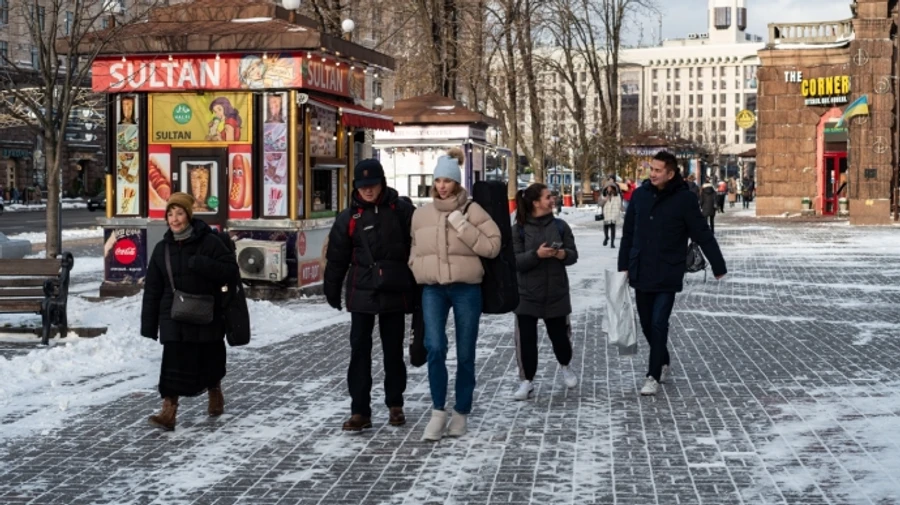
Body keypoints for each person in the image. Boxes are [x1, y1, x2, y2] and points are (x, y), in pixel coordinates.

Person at [409, 147, 501, 441]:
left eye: (448, 181)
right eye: (438, 181)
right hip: (433, 289)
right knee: (434, 347)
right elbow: (414, 249)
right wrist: (417, 268)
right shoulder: (420, 214)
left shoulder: (472, 211)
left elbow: (493, 246)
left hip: (466, 289)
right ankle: (438, 411)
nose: (442, 186)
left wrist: (461, 226)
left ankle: (461, 412)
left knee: (465, 353)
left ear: (457, 183)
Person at [618, 151, 727, 396]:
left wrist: (718, 265)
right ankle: (663, 359)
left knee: (659, 323)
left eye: (658, 171)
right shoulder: (639, 195)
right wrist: (623, 264)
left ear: (670, 173)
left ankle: (652, 375)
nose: (652, 174)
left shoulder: (684, 199)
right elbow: (628, 233)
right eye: (651, 169)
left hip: (668, 270)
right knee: (646, 324)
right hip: (641, 268)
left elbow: (702, 233)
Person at [324, 159, 415, 432]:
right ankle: (360, 410)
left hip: (394, 289)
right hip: (360, 290)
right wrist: (332, 288)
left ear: (382, 183)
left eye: (372, 185)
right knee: (359, 352)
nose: (368, 191)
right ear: (356, 187)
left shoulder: (402, 211)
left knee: (393, 351)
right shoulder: (348, 218)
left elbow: (417, 247)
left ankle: (395, 404)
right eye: (363, 186)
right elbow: (337, 257)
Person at [140, 192, 239, 431]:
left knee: (209, 356)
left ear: (189, 215)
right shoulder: (162, 248)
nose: (174, 219)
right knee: (172, 361)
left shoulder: (209, 241)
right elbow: (153, 288)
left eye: (179, 213)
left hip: (207, 313)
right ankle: (169, 411)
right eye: (170, 214)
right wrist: (149, 324)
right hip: (173, 314)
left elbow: (230, 270)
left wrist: (202, 264)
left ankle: (214, 389)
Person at [511, 183, 579, 401]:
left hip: (556, 292)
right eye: (548, 197)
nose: (553, 200)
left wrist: (562, 255)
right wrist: (536, 255)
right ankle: (526, 381)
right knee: (527, 341)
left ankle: (565, 365)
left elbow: (573, 255)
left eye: (552, 196)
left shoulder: (560, 226)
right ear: (535, 202)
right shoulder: (518, 229)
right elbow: (514, 261)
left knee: (560, 337)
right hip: (526, 294)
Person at [598, 181, 623, 248]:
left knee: (613, 228)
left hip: (614, 213)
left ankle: (612, 243)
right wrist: (605, 200)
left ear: (613, 188)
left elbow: (619, 204)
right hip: (606, 212)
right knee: (606, 226)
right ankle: (606, 237)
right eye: (607, 187)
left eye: (610, 187)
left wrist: (620, 210)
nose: (609, 189)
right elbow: (599, 204)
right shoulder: (603, 195)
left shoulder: (617, 195)